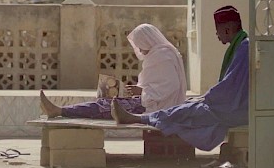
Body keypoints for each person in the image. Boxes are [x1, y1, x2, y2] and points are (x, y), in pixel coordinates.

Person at [111, 5, 249, 151]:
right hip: (233, 107)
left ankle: (137, 119)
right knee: (188, 109)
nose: (217, 34)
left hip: (236, 110)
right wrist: (205, 98)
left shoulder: (244, 48)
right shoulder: (242, 46)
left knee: (188, 112)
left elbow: (230, 85)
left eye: (218, 30)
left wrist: (207, 98)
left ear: (227, 29)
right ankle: (142, 118)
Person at [40, 23, 187, 119]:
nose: (140, 49)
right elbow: (157, 84)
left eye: (140, 44)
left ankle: (59, 111)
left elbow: (170, 86)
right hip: (146, 101)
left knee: (105, 106)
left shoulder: (163, 55)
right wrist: (138, 91)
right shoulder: (160, 54)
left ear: (147, 40)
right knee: (105, 102)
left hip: (157, 106)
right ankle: (61, 110)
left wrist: (142, 92)